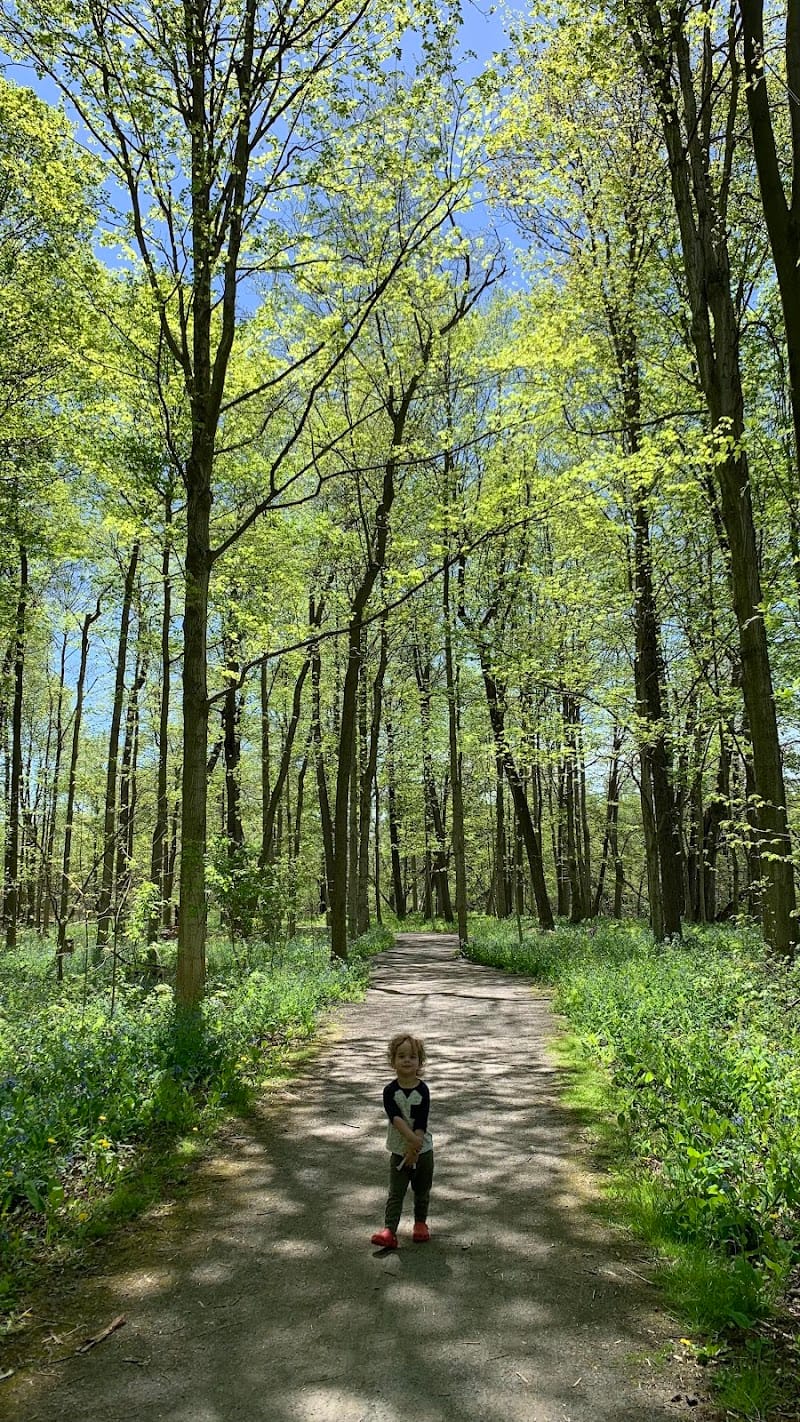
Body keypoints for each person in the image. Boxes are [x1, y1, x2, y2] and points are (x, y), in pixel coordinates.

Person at [370, 1031, 434, 1249]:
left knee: (422, 1190)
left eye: (412, 1057)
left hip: (423, 1150)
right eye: (402, 1056)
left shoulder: (422, 1090)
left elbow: (421, 1121)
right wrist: (410, 1142)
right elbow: (395, 1117)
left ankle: (420, 1224)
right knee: (396, 1191)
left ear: (420, 1062)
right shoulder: (390, 1091)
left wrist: (416, 1147)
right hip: (399, 1150)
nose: (407, 1060)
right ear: (393, 1061)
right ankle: (389, 1230)